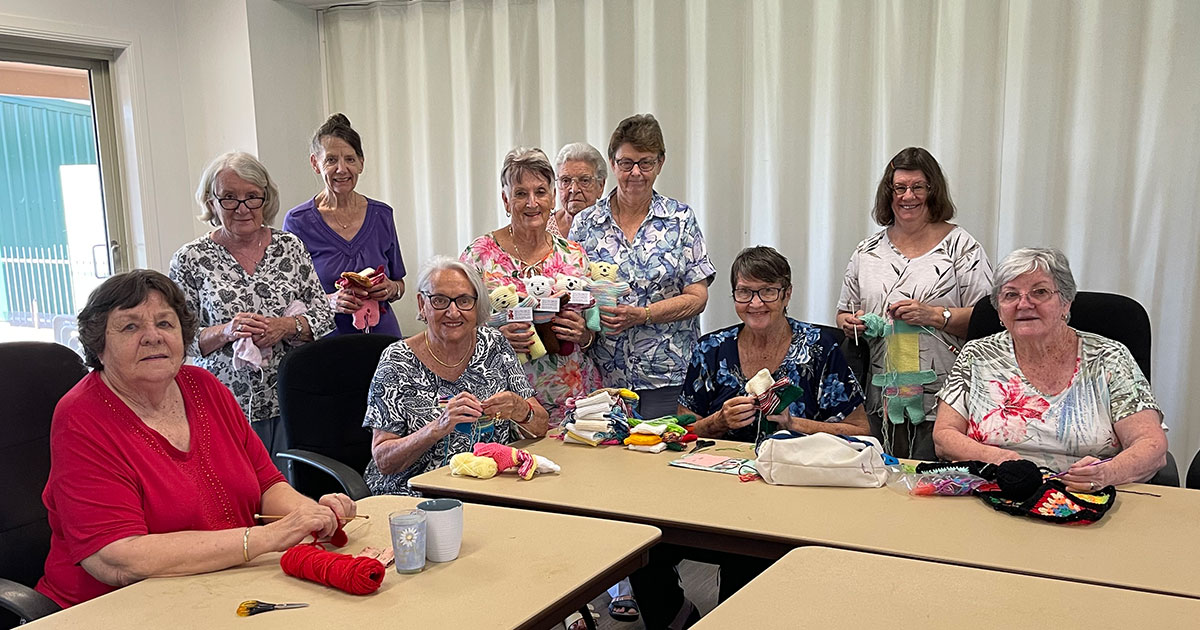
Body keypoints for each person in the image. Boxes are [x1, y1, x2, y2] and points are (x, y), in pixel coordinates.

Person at [36, 270, 355, 609]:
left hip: (223, 588)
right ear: (98, 346)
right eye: (130, 327)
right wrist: (266, 537)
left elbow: (267, 486)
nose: (153, 337)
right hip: (114, 608)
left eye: (165, 323)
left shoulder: (204, 386)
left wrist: (310, 515)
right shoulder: (81, 417)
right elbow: (119, 557)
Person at [933, 248, 1167, 491]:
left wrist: (1105, 473)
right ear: (1000, 310)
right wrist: (1000, 459)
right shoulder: (976, 355)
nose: (1024, 304)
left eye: (1040, 292)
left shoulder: (1109, 357)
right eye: (1011, 295)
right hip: (995, 489)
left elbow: (1151, 444)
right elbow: (944, 435)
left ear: (1065, 302)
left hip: (1088, 493)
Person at [169, 151, 334, 460]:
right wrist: (227, 331)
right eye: (230, 198)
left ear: (265, 199)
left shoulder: (290, 247)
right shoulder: (190, 259)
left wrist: (286, 326)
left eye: (252, 197)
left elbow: (324, 316)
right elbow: (178, 337)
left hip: (292, 397)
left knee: (292, 483)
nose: (242, 208)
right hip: (224, 403)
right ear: (211, 202)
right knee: (234, 484)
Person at [835, 146, 992, 459]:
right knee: (881, 479)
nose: (908, 196)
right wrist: (850, 323)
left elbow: (988, 321)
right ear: (888, 192)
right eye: (900, 188)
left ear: (933, 191)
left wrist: (934, 315)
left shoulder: (962, 247)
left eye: (918, 187)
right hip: (881, 399)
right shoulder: (867, 251)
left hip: (946, 404)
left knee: (933, 484)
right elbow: (842, 312)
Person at [570, 113, 716, 419]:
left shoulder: (680, 219)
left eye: (645, 163)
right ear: (613, 164)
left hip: (669, 376)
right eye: (626, 163)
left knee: (668, 448)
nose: (635, 172)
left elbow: (697, 297)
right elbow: (574, 295)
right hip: (604, 380)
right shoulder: (585, 224)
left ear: (660, 163)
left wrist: (643, 315)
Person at [362, 257, 549, 496]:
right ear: (422, 304)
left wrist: (521, 409)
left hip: (492, 489)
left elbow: (541, 425)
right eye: (440, 300)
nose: (453, 312)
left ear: (477, 305)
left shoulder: (495, 344)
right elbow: (384, 461)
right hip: (415, 494)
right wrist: (438, 427)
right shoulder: (397, 360)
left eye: (464, 301)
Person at [460, 147, 602, 424]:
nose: (532, 203)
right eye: (521, 193)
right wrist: (496, 338)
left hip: (572, 402)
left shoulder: (573, 254)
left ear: (552, 197)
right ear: (506, 200)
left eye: (540, 192)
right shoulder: (479, 255)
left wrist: (584, 335)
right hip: (506, 405)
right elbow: (454, 327)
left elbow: (593, 334)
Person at [682, 246, 869, 441]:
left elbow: (860, 430)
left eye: (768, 291)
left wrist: (792, 424)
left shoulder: (820, 347)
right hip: (721, 460)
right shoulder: (710, 349)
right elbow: (682, 430)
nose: (755, 303)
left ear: (787, 294)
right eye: (744, 292)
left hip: (798, 458)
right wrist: (717, 422)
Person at [283, 113, 407, 336]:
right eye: (331, 160)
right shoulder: (298, 222)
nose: (341, 169)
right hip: (327, 340)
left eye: (350, 159)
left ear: (361, 163)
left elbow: (399, 284)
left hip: (381, 337)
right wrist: (330, 301)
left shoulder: (382, 215)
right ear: (315, 164)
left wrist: (391, 288)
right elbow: (288, 298)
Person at [549, 142, 607, 237]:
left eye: (584, 180)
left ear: (600, 186)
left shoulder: (611, 230)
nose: (574, 189)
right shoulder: (542, 228)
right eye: (566, 180)